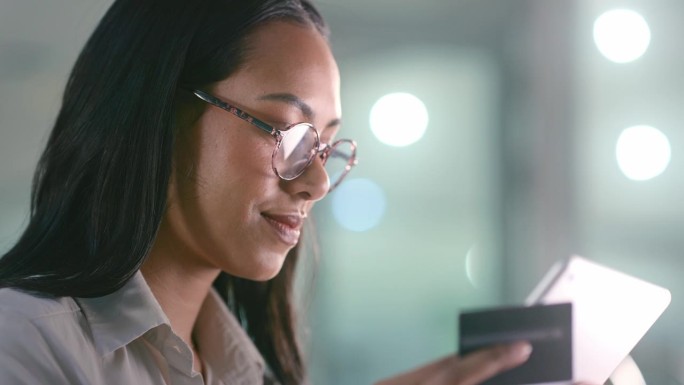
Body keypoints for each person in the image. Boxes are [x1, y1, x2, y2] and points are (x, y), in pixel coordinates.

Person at [0, 0, 537, 384]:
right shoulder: (23, 342)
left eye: (326, 145)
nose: (318, 183)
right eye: (294, 133)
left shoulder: (243, 368)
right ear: (162, 115)